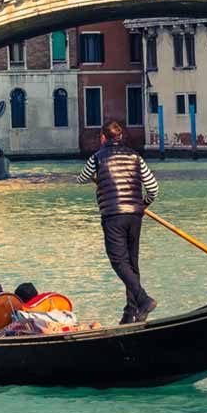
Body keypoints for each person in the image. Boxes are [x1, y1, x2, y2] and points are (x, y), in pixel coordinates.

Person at [79, 118, 159, 323]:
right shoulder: (136, 157)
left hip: (113, 216)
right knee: (132, 263)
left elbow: (81, 178)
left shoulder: (97, 158)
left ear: (103, 138)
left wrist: (96, 177)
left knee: (118, 262)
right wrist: (144, 204)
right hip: (135, 214)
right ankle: (131, 313)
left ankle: (143, 300)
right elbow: (153, 188)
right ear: (120, 137)